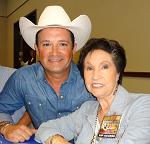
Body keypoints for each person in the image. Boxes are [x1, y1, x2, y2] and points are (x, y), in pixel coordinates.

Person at [0, 5, 94, 143]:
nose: (54, 53)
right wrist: (6, 127)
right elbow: (2, 109)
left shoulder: (91, 77)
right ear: (36, 49)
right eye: (46, 44)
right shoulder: (23, 78)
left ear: (73, 48)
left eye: (62, 44)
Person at [35, 38, 150, 144]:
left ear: (118, 73)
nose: (95, 76)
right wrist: (56, 140)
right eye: (89, 68)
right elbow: (44, 128)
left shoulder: (143, 105)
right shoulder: (87, 109)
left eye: (104, 67)